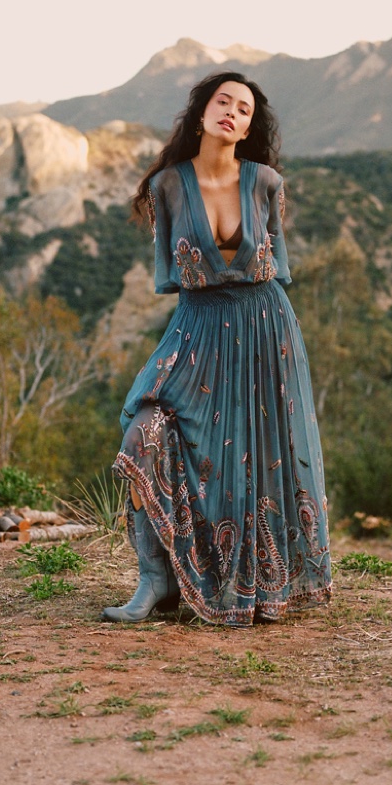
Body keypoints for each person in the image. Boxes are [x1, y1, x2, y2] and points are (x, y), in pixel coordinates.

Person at [102, 71, 332, 626]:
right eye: (222, 101)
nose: (232, 112)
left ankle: (257, 583)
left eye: (245, 109)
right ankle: (154, 578)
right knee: (144, 431)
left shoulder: (266, 182)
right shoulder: (167, 187)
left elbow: (276, 265)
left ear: (249, 126)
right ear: (201, 112)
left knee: (260, 460)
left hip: (265, 329)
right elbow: (172, 278)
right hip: (199, 328)